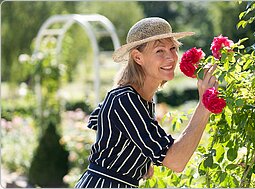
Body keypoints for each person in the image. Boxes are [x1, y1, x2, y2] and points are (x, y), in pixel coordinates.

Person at [75, 17, 218, 188]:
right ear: (138, 57)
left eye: (172, 48)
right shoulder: (124, 99)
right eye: (159, 51)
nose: (171, 57)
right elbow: (176, 161)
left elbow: (114, 135)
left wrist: (140, 161)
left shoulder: (140, 100)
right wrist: (204, 104)